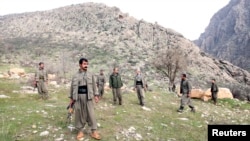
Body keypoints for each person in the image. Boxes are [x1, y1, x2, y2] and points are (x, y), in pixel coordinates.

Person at [69, 58, 101, 140]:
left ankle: (94, 131)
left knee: (91, 114)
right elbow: (72, 88)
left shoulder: (90, 74)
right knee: (79, 114)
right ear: (80, 65)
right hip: (78, 97)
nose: (86, 65)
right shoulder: (75, 76)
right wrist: (71, 99)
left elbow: (94, 85)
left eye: (87, 64)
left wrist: (96, 95)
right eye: (84, 64)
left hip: (88, 97)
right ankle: (80, 131)